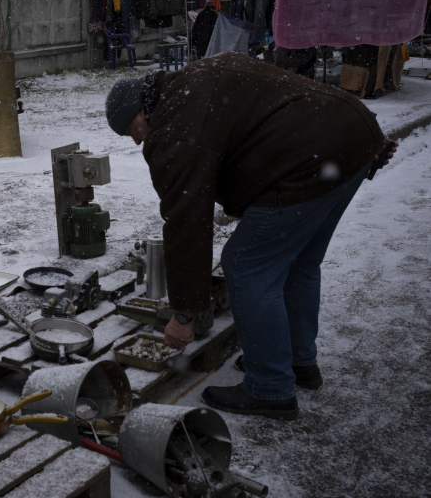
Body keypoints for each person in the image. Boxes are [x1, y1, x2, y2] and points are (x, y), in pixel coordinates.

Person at [104, 52, 396, 420]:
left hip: (312, 160)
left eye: (133, 132)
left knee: (246, 263)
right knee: (298, 260)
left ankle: (271, 387)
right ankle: (297, 361)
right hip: (351, 136)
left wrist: (184, 313)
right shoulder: (195, 82)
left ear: (141, 113)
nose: (137, 141)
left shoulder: (176, 129)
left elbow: (186, 222)